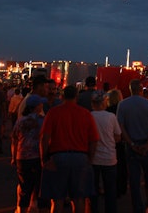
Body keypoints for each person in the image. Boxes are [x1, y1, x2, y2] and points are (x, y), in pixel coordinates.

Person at [40, 85, 100, 213]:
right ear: (76, 97)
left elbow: (44, 138)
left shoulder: (54, 112)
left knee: (57, 198)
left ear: (62, 96)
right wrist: (90, 158)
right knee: (79, 198)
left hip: (58, 156)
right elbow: (94, 139)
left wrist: (44, 158)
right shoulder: (85, 114)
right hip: (80, 157)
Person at [116, 79, 148, 213]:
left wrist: (131, 143)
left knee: (134, 181)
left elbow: (121, 127)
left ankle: (137, 207)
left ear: (130, 90)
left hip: (131, 146)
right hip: (147, 145)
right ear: (141, 89)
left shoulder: (122, 105)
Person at [11, 95, 50, 213]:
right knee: (40, 189)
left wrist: (13, 157)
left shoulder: (20, 120)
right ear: (37, 107)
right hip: (38, 156)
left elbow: (14, 140)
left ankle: (22, 210)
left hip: (22, 157)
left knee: (24, 188)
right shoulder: (42, 120)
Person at [90, 90, 121, 213]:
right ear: (104, 102)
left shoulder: (89, 116)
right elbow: (118, 136)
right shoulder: (111, 117)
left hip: (93, 158)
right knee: (110, 191)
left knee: (93, 190)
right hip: (109, 158)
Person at [106, 89, 128, 196]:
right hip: (122, 141)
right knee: (122, 166)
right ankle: (122, 187)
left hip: (110, 141)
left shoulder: (108, 110)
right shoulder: (123, 109)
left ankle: (112, 188)